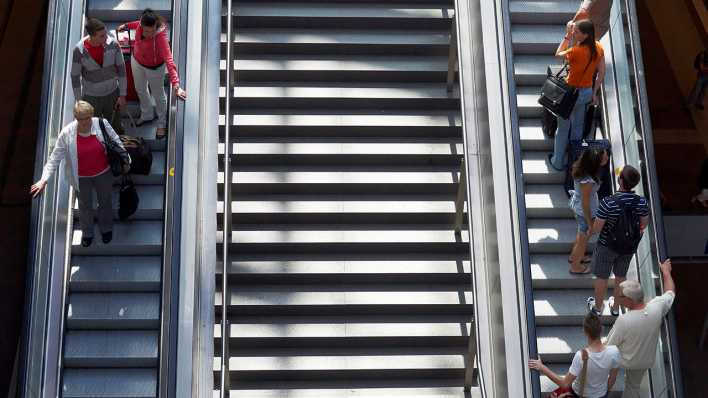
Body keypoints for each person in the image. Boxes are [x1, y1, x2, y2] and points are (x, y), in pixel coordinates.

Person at [30, 101, 130, 247]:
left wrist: (126, 160)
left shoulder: (101, 124)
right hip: (81, 178)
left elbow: (116, 141)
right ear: (75, 117)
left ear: (92, 115)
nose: (85, 122)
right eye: (81, 119)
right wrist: (44, 179)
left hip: (103, 173)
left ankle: (106, 228)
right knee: (84, 206)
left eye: (88, 118)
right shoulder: (67, 133)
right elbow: (54, 157)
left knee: (105, 202)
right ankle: (87, 233)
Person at [606, 259, 676, 398]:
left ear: (630, 300)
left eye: (620, 297)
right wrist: (666, 273)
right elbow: (670, 292)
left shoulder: (624, 321)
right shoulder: (657, 307)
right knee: (633, 386)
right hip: (644, 361)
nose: (618, 299)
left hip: (624, 360)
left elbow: (609, 346)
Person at [587, 165, 650, 316]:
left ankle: (597, 307)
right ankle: (615, 308)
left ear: (620, 180)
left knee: (602, 277)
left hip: (607, 246)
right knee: (620, 277)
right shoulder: (641, 202)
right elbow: (644, 225)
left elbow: (597, 229)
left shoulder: (608, 202)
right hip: (628, 248)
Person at [118, 8, 186, 139]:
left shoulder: (161, 37)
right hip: (137, 61)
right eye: (146, 30)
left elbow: (169, 59)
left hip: (154, 68)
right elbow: (136, 23)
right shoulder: (140, 24)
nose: (149, 33)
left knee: (158, 94)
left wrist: (176, 84)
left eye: (152, 30)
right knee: (140, 89)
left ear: (156, 26)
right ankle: (147, 114)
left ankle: (162, 123)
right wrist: (126, 26)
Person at [548, 20, 606, 171]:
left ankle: (557, 162)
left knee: (563, 128)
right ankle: (574, 161)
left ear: (585, 35)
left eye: (577, 32)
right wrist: (594, 93)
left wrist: (567, 36)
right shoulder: (599, 47)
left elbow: (558, 54)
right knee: (578, 128)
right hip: (586, 93)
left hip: (570, 94)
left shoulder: (575, 51)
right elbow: (601, 74)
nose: (574, 33)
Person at [529, 312, 621, 398]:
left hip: (578, 394)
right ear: (602, 329)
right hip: (601, 395)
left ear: (585, 331)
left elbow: (565, 384)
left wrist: (542, 367)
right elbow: (612, 380)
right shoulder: (614, 352)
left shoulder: (581, 356)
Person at [71, 17, 127, 135]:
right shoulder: (79, 51)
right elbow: (75, 77)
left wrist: (122, 94)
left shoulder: (114, 45)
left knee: (116, 126)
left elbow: (122, 70)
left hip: (112, 94)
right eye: (102, 36)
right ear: (92, 36)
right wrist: (78, 101)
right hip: (91, 97)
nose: (106, 37)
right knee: (92, 129)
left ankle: (117, 149)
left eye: (105, 33)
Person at [568, 148, 609, 274]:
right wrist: (590, 223)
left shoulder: (582, 168)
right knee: (583, 239)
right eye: (604, 157)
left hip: (579, 207)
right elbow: (585, 203)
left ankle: (574, 257)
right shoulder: (588, 180)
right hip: (584, 212)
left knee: (581, 236)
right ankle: (575, 265)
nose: (607, 158)